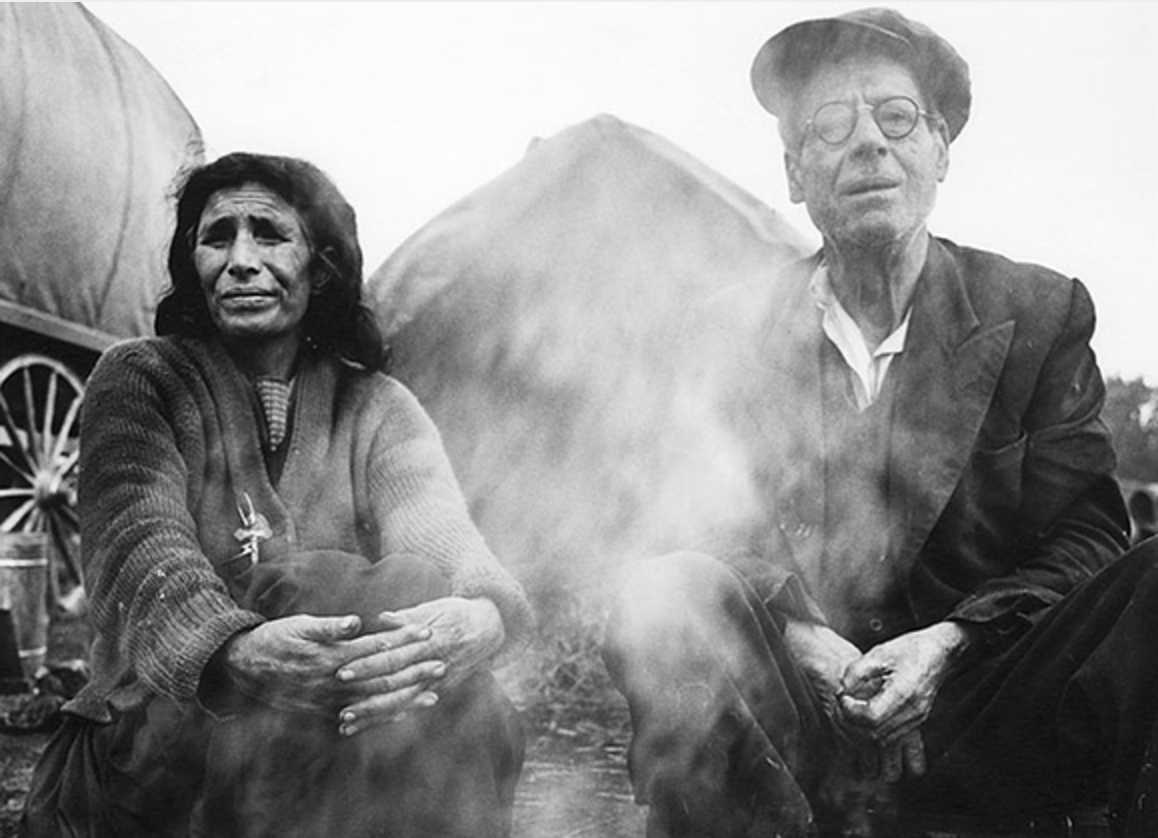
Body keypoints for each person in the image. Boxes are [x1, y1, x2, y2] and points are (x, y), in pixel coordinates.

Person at [602, 8, 1158, 837]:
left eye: (896, 117)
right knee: (667, 589)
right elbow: (681, 519)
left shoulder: (1040, 310)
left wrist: (947, 642)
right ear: (794, 172)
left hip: (984, 709)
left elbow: (1083, 535)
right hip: (787, 716)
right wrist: (799, 635)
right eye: (831, 125)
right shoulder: (721, 331)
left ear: (940, 151)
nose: (868, 142)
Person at [22, 152, 533, 838]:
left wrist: (481, 615)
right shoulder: (139, 379)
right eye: (216, 237)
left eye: (268, 233)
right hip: (160, 748)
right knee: (313, 586)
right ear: (193, 263)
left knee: (423, 606)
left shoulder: (378, 405)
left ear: (320, 265)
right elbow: (140, 550)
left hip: (344, 739)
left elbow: (435, 528)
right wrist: (234, 651)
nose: (239, 259)